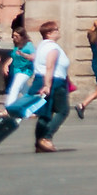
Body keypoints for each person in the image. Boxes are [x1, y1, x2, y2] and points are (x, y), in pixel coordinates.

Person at [28, 21, 72, 152]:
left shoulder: (41, 46)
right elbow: (50, 66)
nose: (59, 31)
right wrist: (47, 85)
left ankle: (39, 143)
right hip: (54, 82)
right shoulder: (52, 47)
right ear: (49, 33)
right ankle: (46, 138)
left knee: (45, 113)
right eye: (56, 30)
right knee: (63, 110)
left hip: (41, 79)